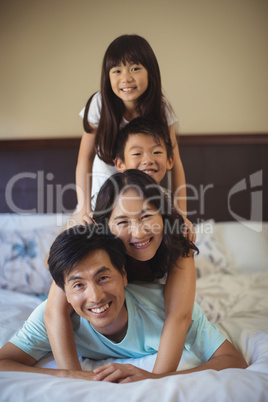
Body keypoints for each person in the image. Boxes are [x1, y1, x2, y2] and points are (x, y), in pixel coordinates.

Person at [0, 225, 248, 383]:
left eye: (103, 278)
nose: (95, 296)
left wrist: (156, 378)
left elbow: (232, 359)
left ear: (124, 275)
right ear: (63, 291)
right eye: (78, 285)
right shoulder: (50, 319)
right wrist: (67, 374)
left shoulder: (168, 310)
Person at [44, 170, 196, 375]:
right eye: (123, 222)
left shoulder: (178, 240)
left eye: (147, 216)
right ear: (104, 226)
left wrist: (154, 378)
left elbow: (180, 314)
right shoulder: (95, 252)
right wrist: (74, 378)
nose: (139, 232)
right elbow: (55, 312)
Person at [75, 34, 194, 238]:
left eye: (135, 68)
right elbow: (84, 159)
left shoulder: (161, 109)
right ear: (108, 76)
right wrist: (84, 208)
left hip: (141, 198)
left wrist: (181, 214)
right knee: (58, 255)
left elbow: (176, 164)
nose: (126, 78)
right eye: (117, 71)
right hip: (99, 199)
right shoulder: (99, 104)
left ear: (150, 72)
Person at [113, 116, 174, 187]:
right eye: (137, 154)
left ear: (169, 161)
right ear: (120, 164)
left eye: (157, 152)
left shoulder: (167, 197)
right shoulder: (118, 197)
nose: (148, 160)